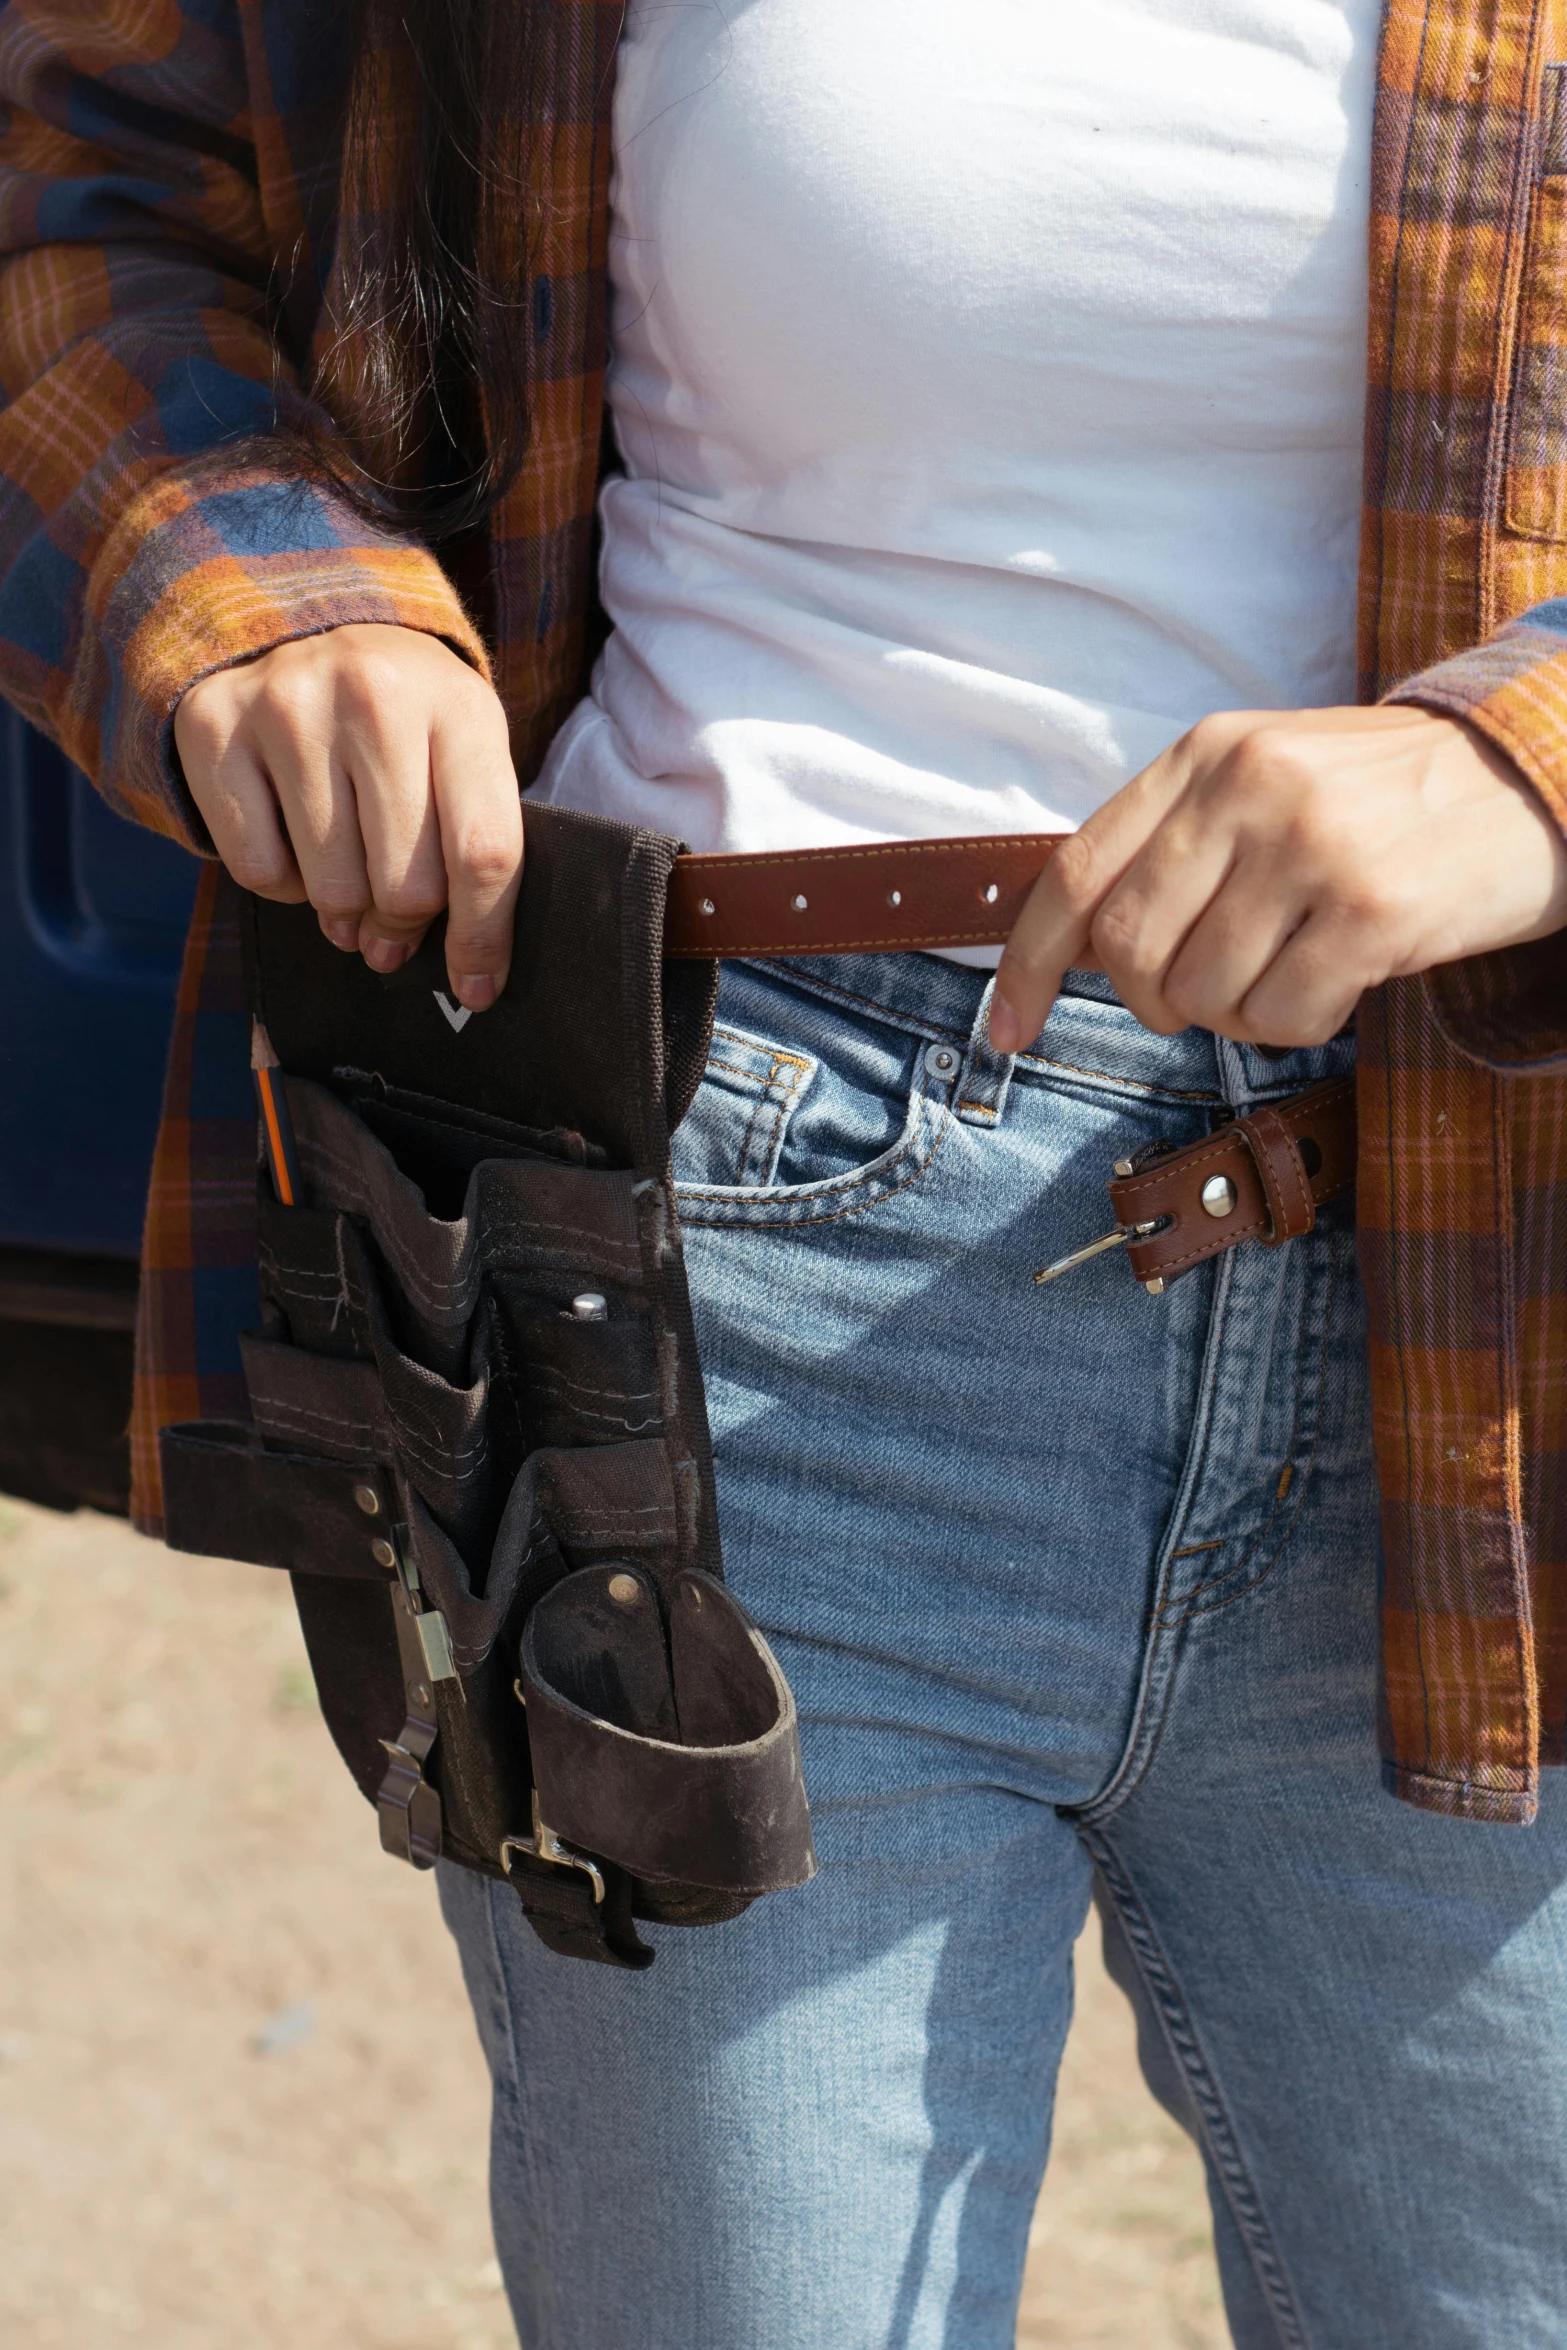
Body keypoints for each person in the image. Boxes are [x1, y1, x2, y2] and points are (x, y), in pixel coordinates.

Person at [4, 1, 1567, 2341]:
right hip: (736, 1290)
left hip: (1489, 1314)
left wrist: (1525, 758)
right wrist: (260, 590)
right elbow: (92, 195)